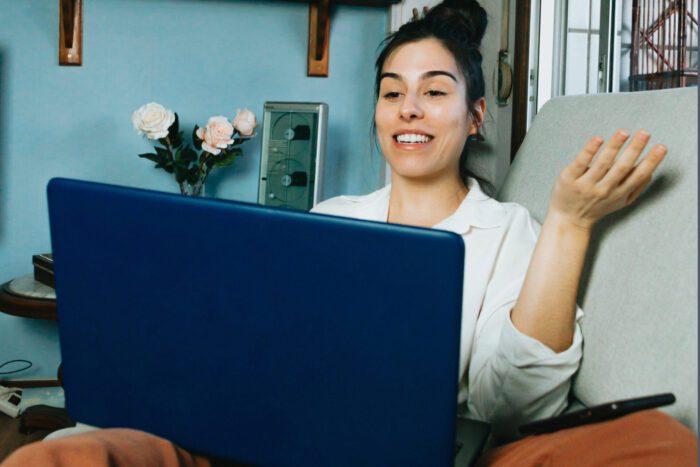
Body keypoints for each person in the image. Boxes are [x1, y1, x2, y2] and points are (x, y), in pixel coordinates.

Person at [2, 1, 695, 466]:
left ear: (476, 114)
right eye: (392, 91)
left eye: (434, 90)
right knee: (66, 452)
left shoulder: (508, 231)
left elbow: (510, 402)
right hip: (254, 438)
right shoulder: (332, 217)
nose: (408, 108)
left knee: (659, 445)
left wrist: (570, 223)